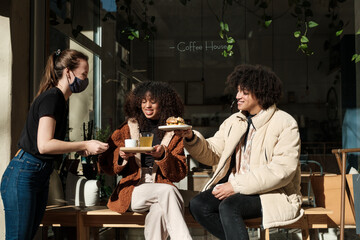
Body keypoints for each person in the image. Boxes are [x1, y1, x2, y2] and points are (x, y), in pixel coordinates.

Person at [175, 64, 303, 240]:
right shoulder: (234, 121)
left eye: (243, 92)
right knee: (198, 205)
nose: (237, 97)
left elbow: (282, 171)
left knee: (229, 206)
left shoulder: (285, 123)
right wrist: (190, 138)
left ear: (260, 91)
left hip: (271, 193)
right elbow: (213, 152)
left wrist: (235, 186)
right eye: (237, 91)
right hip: (235, 189)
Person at [0, 49, 109, 240]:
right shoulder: (53, 97)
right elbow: (44, 145)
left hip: (37, 173)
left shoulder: (58, 99)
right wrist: (84, 144)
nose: (85, 80)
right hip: (25, 173)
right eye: (83, 74)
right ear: (68, 72)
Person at [98, 81, 192, 240]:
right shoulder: (127, 128)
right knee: (168, 191)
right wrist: (121, 158)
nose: (147, 105)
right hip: (133, 189)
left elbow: (180, 173)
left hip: (160, 189)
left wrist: (163, 156)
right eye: (143, 101)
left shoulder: (173, 132)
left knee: (159, 212)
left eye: (153, 101)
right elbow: (105, 163)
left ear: (163, 103)